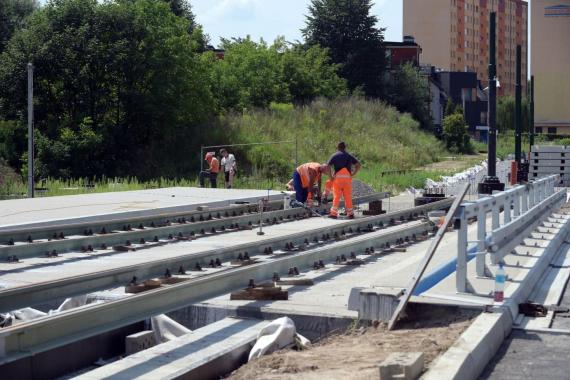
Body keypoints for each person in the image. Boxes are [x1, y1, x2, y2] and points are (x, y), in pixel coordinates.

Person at [327, 142, 361, 219]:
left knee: (336, 196)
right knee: (347, 196)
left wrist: (330, 177)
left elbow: (327, 166)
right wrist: (353, 173)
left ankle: (334, 213)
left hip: (338, 178)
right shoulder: (349, 156)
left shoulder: (334, 155)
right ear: (345, 147)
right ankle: (350, 213)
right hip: (347, 178)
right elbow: (358, 165)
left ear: (338, 147)